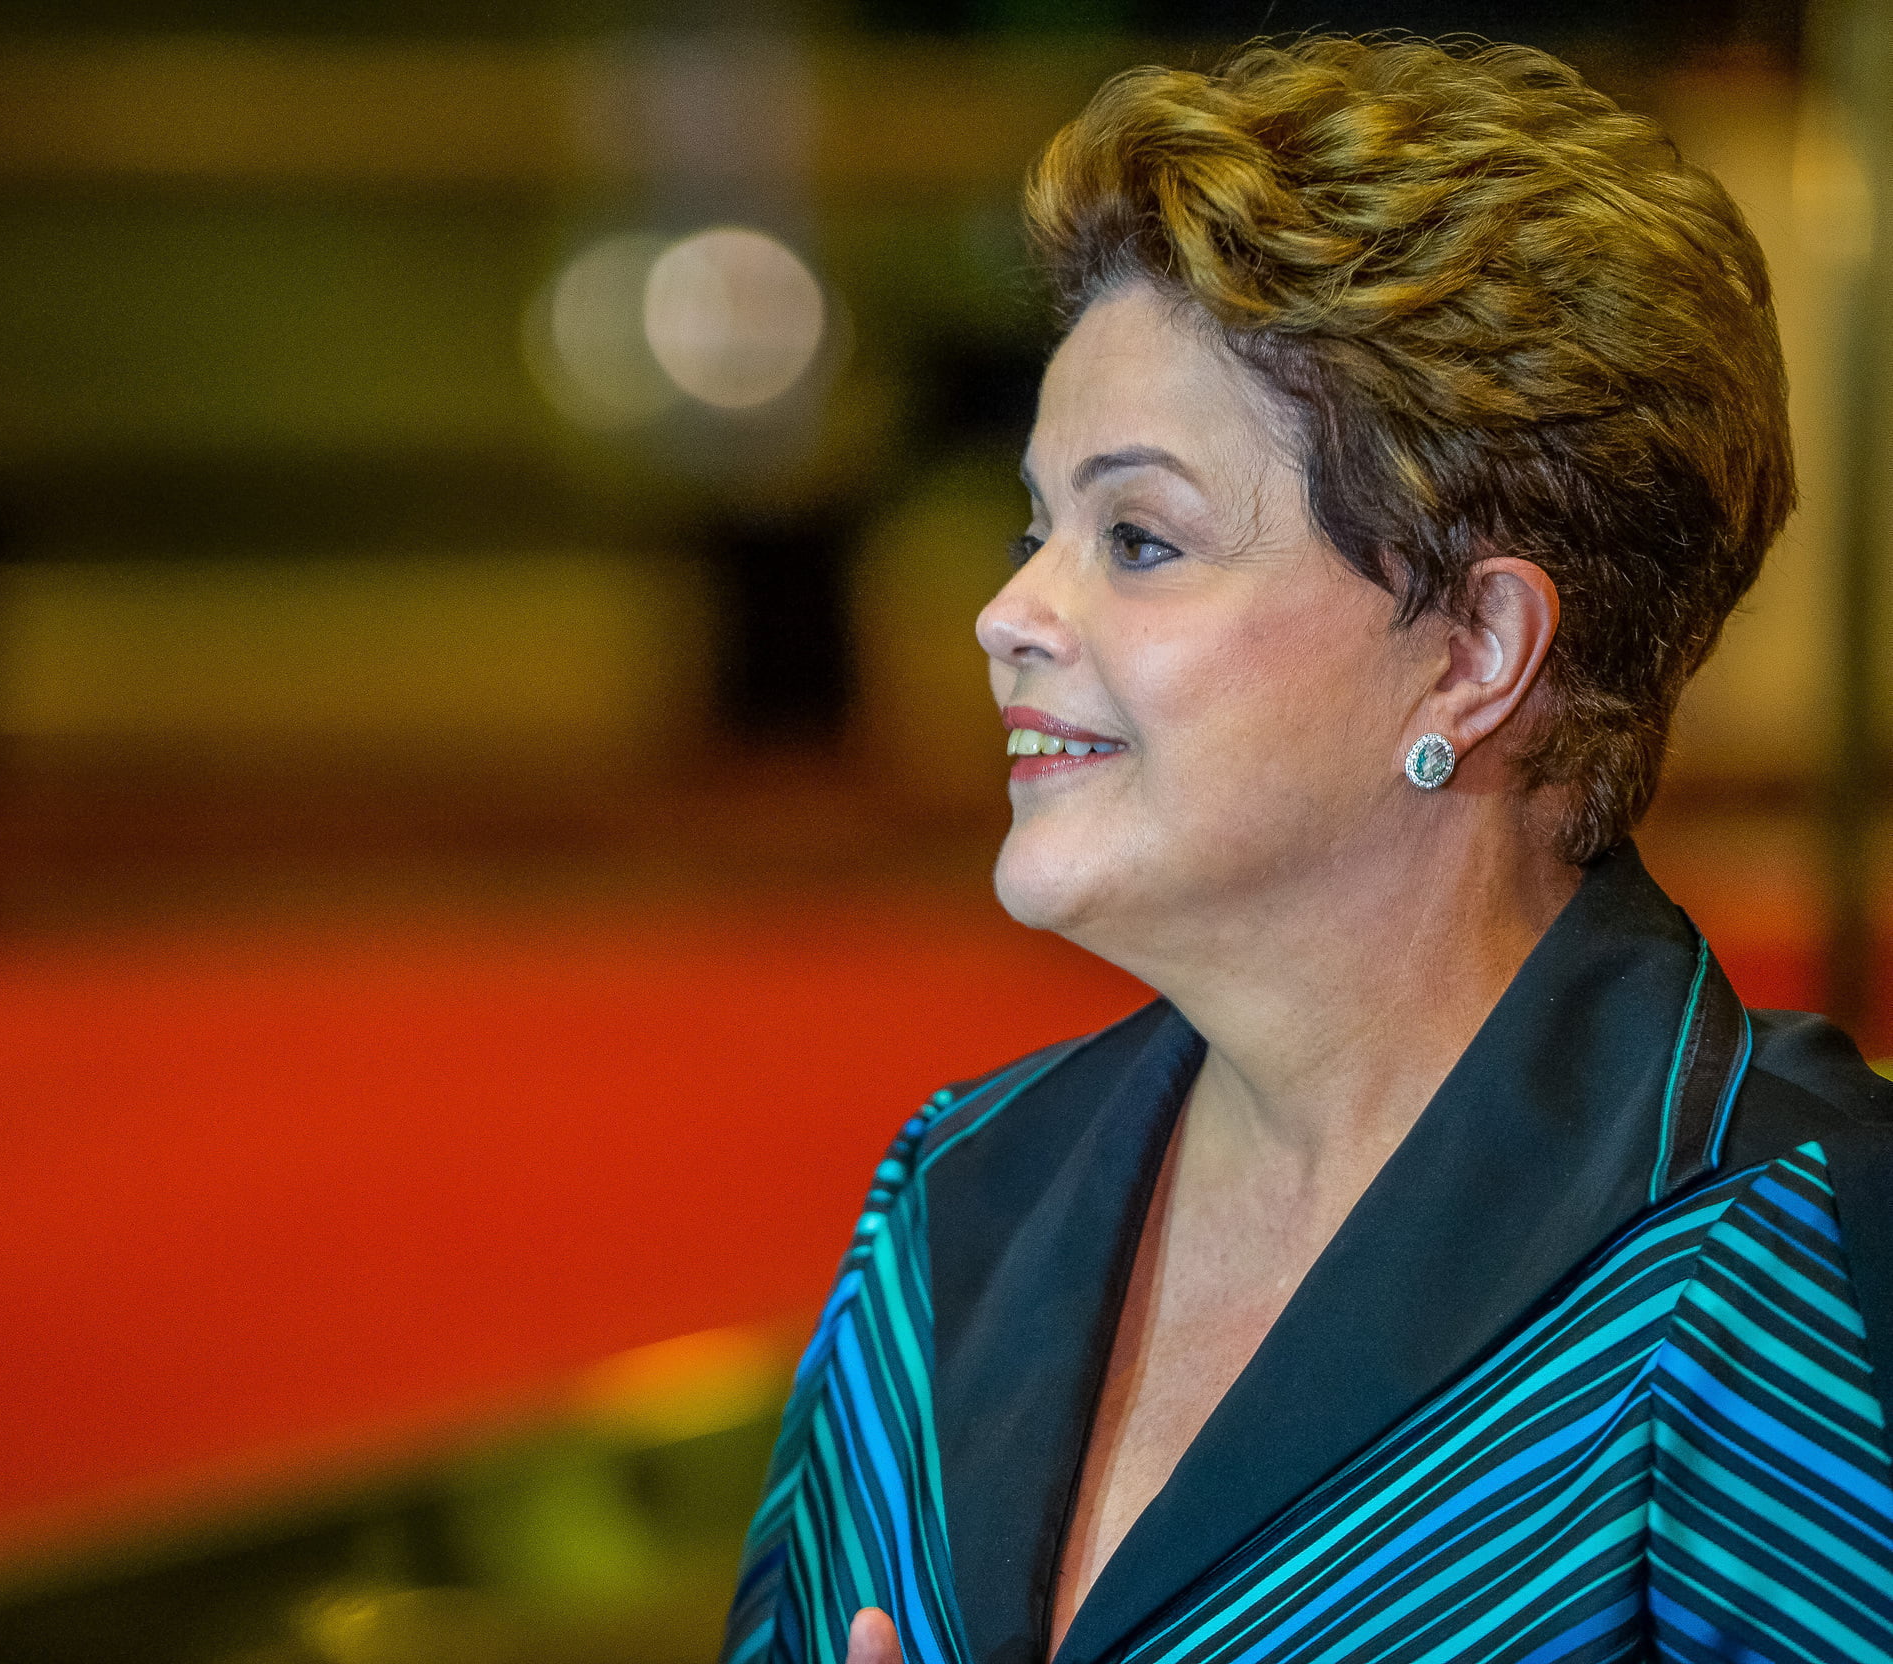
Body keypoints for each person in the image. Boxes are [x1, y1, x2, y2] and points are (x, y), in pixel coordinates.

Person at [720, 35, 1893, 1664]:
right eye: (1031, 528)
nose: (1007, 616)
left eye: (1139, 538)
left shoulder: (1782, 1248)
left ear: (1477, 650)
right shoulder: (960, 1202)